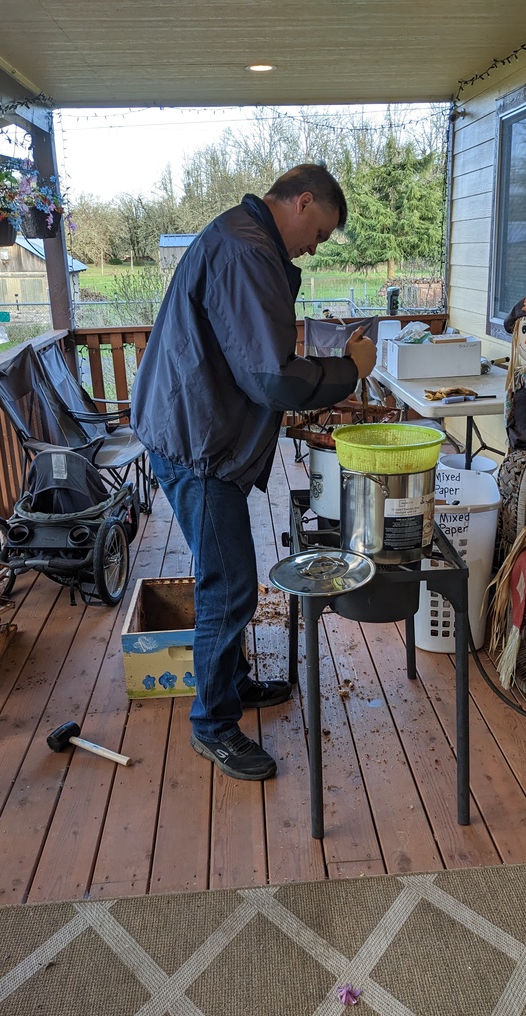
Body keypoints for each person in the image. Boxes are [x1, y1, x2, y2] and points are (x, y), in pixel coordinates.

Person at [130, 164, 377, 782]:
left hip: (195, 428)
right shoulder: (246, 252)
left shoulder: (245, 240)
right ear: (299, 201)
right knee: (230, 583)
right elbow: (270, 377)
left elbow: (253, 358)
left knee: (227, 574)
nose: (314, 247)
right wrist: (350, 371)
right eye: (317, 231)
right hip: (198, 442)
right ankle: (213, 726)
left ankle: (231, 686)